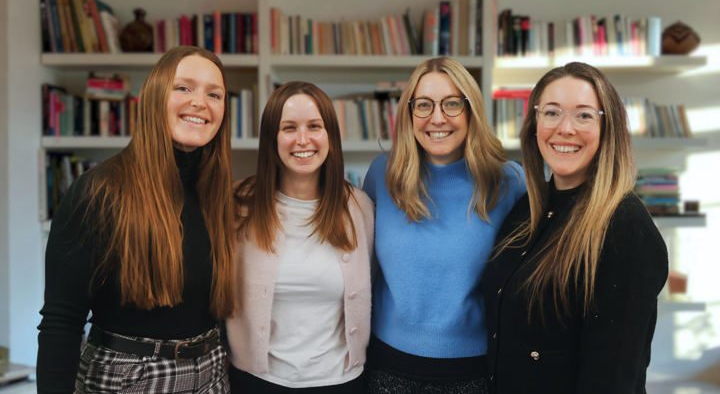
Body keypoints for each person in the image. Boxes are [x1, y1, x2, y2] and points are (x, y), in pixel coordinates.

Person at [37, 46, 235, 393]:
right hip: (128, 377)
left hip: (213, 372)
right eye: (183, 87)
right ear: (155, 96)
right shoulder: (99, 191)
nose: (200, 103)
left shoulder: (218, 193)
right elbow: (61, 322)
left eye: (214, 94)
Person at [483, 62, 668, 393]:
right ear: (534, 124)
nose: (565, 128)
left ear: (607, 128)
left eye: (584, 115)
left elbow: (611, 381)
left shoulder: (625, 227)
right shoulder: (526, 208)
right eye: (551, 112)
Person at [361, 57, 526, 394]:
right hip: (386, 366)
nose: (437, 118)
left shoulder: (508, 181)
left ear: (471, 110)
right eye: (424, 105)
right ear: (409, 113)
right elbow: (364, 270)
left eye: (452, 103)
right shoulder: (382, 173)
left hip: (474, 372)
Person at [226, 81, 374, 394]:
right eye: (289, 127)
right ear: (272, 138)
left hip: (341, 383)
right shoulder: (237, 204)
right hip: (258, 382)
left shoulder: (360, 208)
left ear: (330, 135)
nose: (303, 139)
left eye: (314, 126)